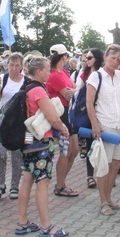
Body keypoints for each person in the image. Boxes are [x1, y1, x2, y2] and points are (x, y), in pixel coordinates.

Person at [16, 56, 70, 237]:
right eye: (47, 69)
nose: (50, 72)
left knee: (27, 179)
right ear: (39, 72)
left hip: (28, 141)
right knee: (43, 182)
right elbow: (53, 117)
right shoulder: (38, 90)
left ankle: (22, 222)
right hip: (41, 143)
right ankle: (46, 227)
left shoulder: (26, 87)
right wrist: (63, 129)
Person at [85, 44, 120, 216]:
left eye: (118, 59)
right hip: (106, 124)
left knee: (116, 163)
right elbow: (89, 102)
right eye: (112, 58)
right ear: (105, 58)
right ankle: (103, 202)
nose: (115, 62)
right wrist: (94, 124)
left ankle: (109, 198)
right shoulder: (96, 77)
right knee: (104, 165)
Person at [0, 52, 30, 201]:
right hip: (2, 119)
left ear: (21, 66)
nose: (13, 68)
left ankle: (14, 185)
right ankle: (0, 184)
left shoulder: (26, 81)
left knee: (17, 154)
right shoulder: (3, 79)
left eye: (16, 65)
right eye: (11, 65)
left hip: (18, 122)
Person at [46, 44, 79, 198]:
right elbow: (68, 94)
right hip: (62, 113)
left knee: (74, 150)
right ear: (64, 57)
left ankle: (62, 182)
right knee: (66, 151)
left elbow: (75, 87)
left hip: (69, 112)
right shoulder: (55, 75)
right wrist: (76, 90)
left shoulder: (63, 71)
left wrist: (76, 90)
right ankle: (60, 185)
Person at [74, 48, 104, 189]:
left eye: (90, 57)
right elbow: (79, 89)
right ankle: (90, 175)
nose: (87, 59)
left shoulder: (102, 73)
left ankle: (105, 175)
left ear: (97, 58)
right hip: (88, 111)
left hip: (103, 111)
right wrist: (73, 92)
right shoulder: (84, 73)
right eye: (86, 57)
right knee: (90, 143)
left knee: (105, 146)